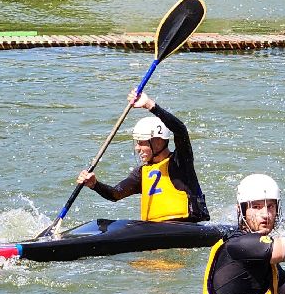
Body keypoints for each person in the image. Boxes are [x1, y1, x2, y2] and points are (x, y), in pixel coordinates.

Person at [77, 91, 209, 222]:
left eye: (141, 143)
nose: (137, 148)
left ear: (158, 141)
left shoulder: (180, 161)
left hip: (187, 227)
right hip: (155, 231)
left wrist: (150, 105)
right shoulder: (141, 173)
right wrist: (94, 184)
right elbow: (115, 194)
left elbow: (181, 130)